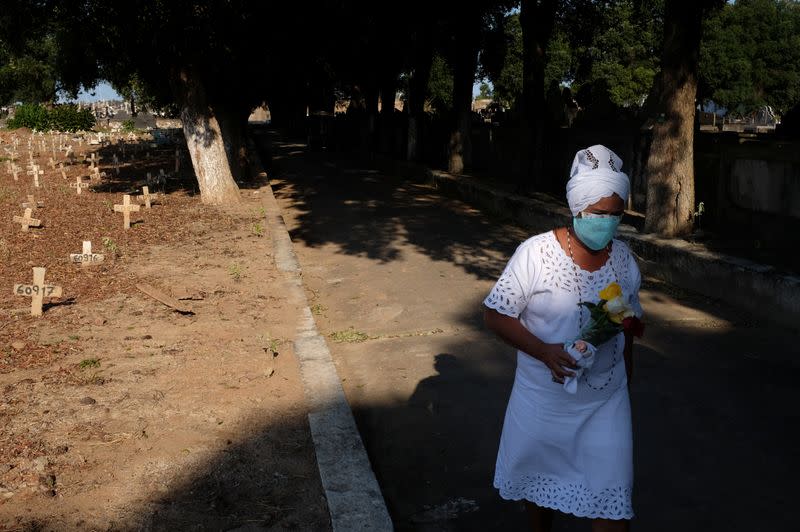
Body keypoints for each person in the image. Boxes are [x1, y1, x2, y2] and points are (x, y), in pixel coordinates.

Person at [483, 145, 644, 532]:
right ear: (577, 207)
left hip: (606, 401)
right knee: (540, 490)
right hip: (544, 402)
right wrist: (544, 351)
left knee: (612, 502)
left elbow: (632, 322)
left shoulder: (624, 259)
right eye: (598, 213)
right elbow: (494, 313)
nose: (607, 222)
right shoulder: (535, 254)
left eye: (615, 214)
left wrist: (629, 352)